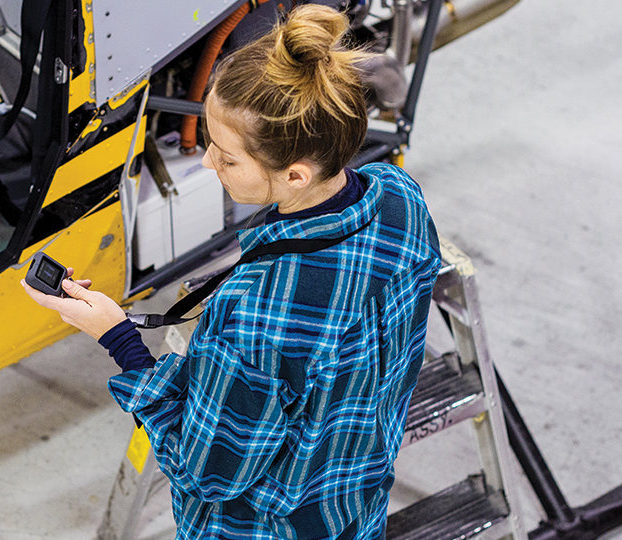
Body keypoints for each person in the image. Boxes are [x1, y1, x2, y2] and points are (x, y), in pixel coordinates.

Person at [22, 4, 441, 538]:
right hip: (352, 508)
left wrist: (118, 339)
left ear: (294, 173)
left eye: (227, 157)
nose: (205, 164)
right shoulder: (399, 197)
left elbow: (204, 471)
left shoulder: (256, 312)